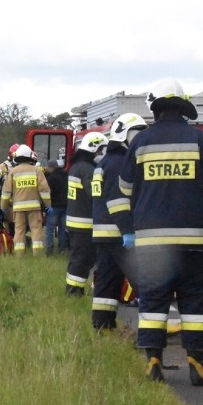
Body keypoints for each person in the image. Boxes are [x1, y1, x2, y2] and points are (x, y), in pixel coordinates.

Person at [116, 79, 203, 384]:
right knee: (196, 303)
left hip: (153, 243)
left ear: (156, 110)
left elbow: (125, 188)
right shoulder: (200, 140)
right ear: (183, 107)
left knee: (153, 302)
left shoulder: (140, 143)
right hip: (196, 242)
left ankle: (152, 362)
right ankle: (200, 366)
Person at [92, 113, 147, 331]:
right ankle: (154, 327)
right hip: (118, 233)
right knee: (144, 280)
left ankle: (102, 325)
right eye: (137, 134)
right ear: (125, 135)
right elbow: (118, 202)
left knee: (107, 281)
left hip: (104, 234)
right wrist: (128, 231)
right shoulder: (119, 163)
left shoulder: (105, 161)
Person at [64, 133, 107, 295]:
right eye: (101, 149)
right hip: (84, 222)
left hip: (75, 222)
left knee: (77, 258)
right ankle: (74, 291)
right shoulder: (88, 170)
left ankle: (73, 289)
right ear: (94, 148)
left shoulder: (76, 167)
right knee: (82, 259)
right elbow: (95, 194)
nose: (103, 154)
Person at [1, 144, 51, 255]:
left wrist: (3, 207)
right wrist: (48, 206)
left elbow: (6, 192)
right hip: (34, 208)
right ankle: (37, 254)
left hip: (18, 208)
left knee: (19, 231)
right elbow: (44, 190)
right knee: (36, 230)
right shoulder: (37, 171)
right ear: (30, 156)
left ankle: (19, 255)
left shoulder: (13, 172)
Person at [44, 160, 69, 255]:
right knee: (62, 229)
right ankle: (62, 249)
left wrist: (46, 206)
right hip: (65, 206)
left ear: (51, 167)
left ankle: (49, 250)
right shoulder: (66, 176)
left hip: (53, 207)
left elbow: (48, 193)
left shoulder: (51, 178)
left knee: (50, 229)